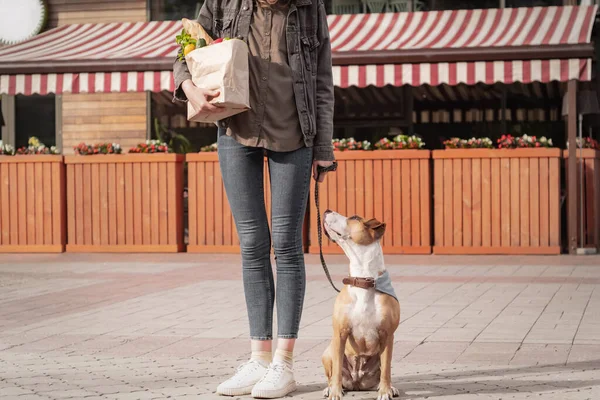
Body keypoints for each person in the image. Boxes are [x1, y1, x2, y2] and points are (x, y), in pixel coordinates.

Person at [173, 0, 335, 398]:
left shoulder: (309, 8)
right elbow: (185, 50)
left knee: (286, 246)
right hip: (234, 132)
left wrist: (324, 146)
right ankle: (258, 358)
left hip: (294, 136)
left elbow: (322, 80)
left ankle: (283, 363)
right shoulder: (223, 2)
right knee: (252, 245)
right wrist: (191, 90)